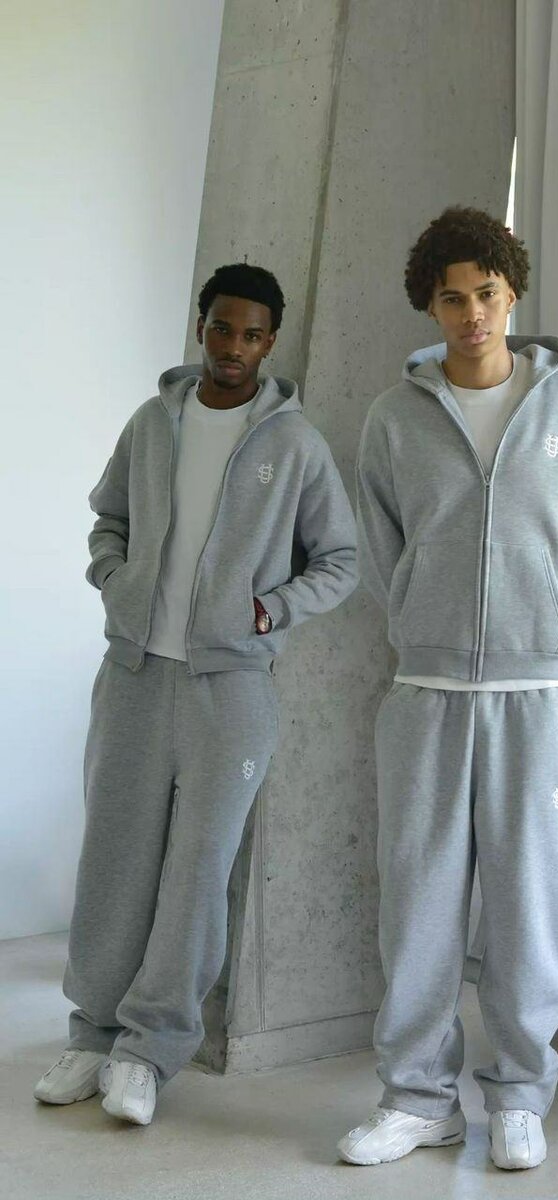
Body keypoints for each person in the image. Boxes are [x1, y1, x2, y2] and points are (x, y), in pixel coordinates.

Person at [34, 263, 358, 1125]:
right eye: (222, 328)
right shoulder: (152, 424)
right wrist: (115, 578)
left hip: (233, 690)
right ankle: (92, 1034)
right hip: (135, 675)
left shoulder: (295, 445)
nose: (233, 347)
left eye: (251, 334)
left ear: (270, 342)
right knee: (114, 859)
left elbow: (341, 560)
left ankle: (148, 1052)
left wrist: (269, 610)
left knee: (196, 874)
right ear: (202, 325)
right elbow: (108, 519)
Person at [339, 206, 558, 1171]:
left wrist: (549, 629)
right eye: (452, 298)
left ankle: (519, 1097)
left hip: (537, 697)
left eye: (486, 294)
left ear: (513, 295)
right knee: (417, 907)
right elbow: (381, 549)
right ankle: (417, 1100)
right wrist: (424, 619)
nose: (472, 315)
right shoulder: (393, 418)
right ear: (430, 305)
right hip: (424, 691)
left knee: (529, 906)